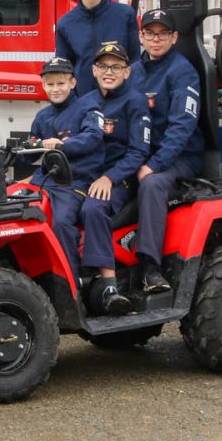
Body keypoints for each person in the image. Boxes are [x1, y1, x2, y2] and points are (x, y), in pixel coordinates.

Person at [131, 8, 205, 294]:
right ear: (141, 36)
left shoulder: (182, 72)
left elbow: (182, 128)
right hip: (142, 154)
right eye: (150, 33)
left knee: (152, 185)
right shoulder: (133, 71)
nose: (156, 39)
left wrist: (154, 165)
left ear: (174, 38)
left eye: (163, 34)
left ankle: (150, 268)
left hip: (180, 158)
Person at [79, 41, 151, 315]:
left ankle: (109, 287)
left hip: (118, 180)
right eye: (103, 66)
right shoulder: (84, 102)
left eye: (116, 67)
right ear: (94, 70)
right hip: (84, 176)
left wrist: (109, 178)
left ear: (127, 72)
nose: (109, 72)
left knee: (93, 208)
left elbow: (138, 151)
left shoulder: (135, 102)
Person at [27, 57, 105, 278]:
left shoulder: (89, 108)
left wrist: (63, 145)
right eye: (50, 84)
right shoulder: (42, 116)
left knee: (61, 222)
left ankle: (70, 280)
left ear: (73, 83)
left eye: (61, 83)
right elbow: (30, 151)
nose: (55, 89)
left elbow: (93, 136)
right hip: (43, 182)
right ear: (43, 86)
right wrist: (7, 151)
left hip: (75, 183)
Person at [55, 0, 140, 97]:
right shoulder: (65, 24)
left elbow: (135, 61)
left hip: (121, 100)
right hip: (84, 101)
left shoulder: (125, 15)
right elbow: (64, 70)